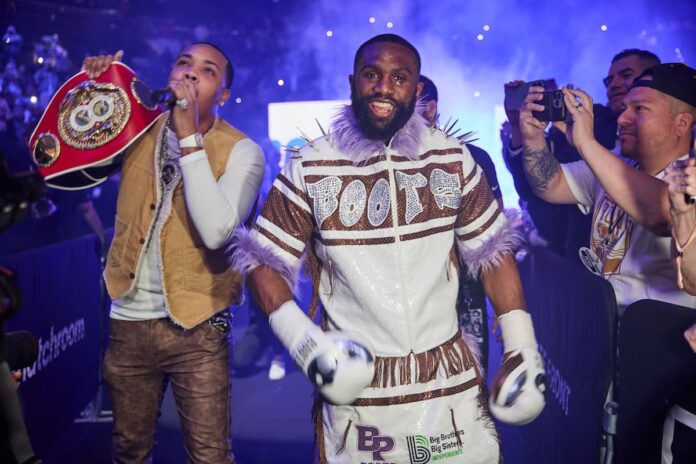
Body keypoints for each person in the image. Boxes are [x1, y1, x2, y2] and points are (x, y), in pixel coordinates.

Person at [232, 34, 545, 463]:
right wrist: (306, 344)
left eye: (399, 78)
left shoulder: (452, 158)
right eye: (372, 75)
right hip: (359, 387)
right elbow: (263, 261)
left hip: (447, 383)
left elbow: (493, 253)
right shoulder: (311, 164)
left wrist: (520, 346)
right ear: (353, 82)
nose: (383, 87)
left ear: (416, 90)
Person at [83, 42, 265, 463]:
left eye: (207, 70)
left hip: (198, 326)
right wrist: (93, 92)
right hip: (128, 321)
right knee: (129, 449)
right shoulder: (134, 130)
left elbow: (216, 231)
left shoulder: (244, 151)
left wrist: (188, 137)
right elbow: (71, 172)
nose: (191, 73)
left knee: (209, 455)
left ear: (222, 94)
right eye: (184, 63)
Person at [519, 62, 696, 314]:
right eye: (624, 108)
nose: (622, 119)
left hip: (658, 343)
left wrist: (586, 143)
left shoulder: (691, 177)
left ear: (681, 123)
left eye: (640, 109)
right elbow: (549, 184)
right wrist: (533, 137)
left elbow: (663, 214)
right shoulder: (614, 162)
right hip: (601, 331)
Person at [502, 50, 660, 262]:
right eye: (610, 79)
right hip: (583, 263)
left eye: (626, 75)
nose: (614, 84)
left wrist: (586, 143)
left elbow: (663, 215)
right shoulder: (584, 120)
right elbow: (541, 183)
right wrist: (522, 131)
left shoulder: (684, 169)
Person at [420, 74, 502, 371]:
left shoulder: (470, 158)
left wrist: (508, 310)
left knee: (470, 381)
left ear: (430, 109)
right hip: (406, 298)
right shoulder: (376, 163)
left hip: (464, 291)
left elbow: (494, 237)